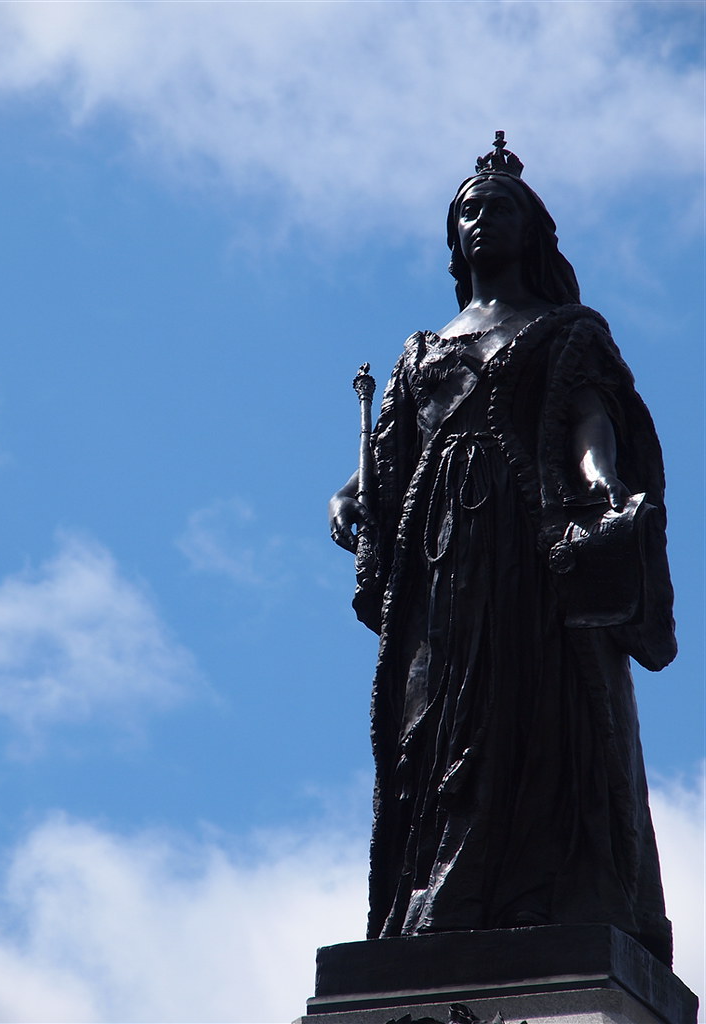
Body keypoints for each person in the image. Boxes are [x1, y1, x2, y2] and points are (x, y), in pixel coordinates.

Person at [328, 135, 676, 966]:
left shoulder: (565, 333)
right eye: (469, 211)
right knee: (437, 721)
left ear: (532, 230)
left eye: (499, 208)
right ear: (454, 237)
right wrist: (347, 496)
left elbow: (589, 421)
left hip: (528, 549)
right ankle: (436, 898)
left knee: (533, 709)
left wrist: (602, 488)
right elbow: (386, 457)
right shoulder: (423, 350)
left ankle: (532, 891)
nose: (483, 219)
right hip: (441, 564)